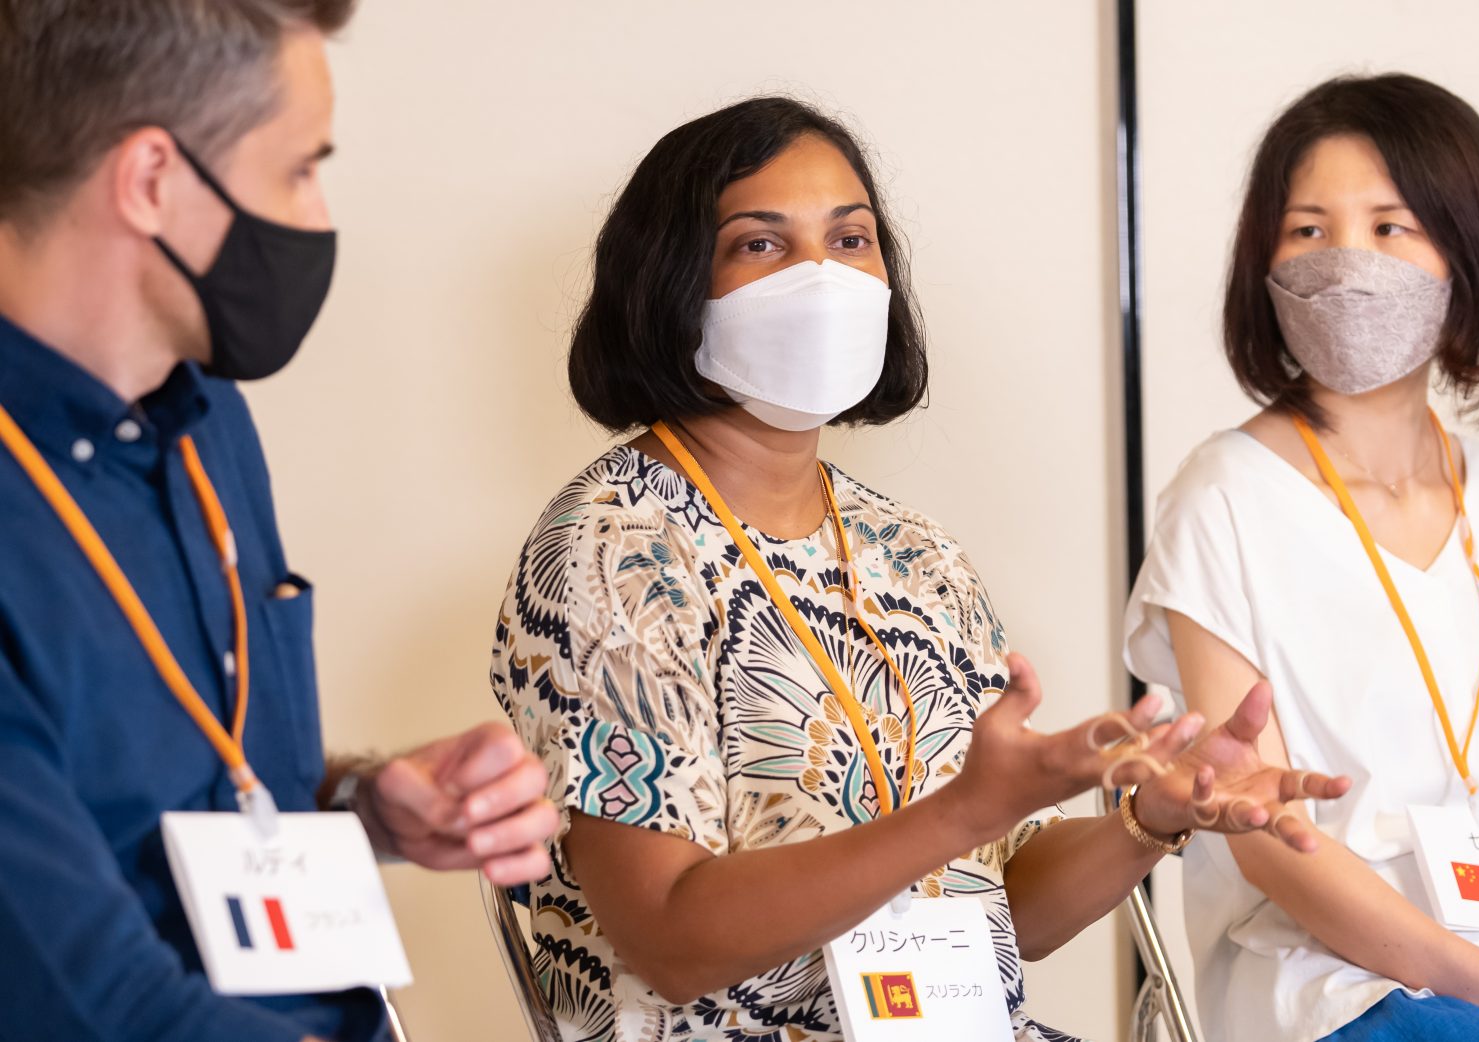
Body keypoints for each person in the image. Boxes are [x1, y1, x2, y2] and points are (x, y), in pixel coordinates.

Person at [491, 95, 1349, 1042]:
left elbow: (1003, 915)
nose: (822, 277)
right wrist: (959, 815)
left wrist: (1151, 816)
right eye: (761, 244)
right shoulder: (614, 548)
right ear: (669, 284)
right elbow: (668, 942)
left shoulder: (914, 553)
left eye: (850, 240)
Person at [0, 3, 558, 1041]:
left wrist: (364, 803)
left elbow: (199, 788)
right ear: (151, 180)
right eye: (300, 169)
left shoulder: (205, 420)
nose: (316, 216)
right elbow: (82, 996)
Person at [1125, 74, 1479, 1041]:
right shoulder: (1223, 499)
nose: (1345, 261)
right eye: (1308, 229)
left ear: (1470, 254)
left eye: (1390, 226)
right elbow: (1266, 837)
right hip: (1334, 984)